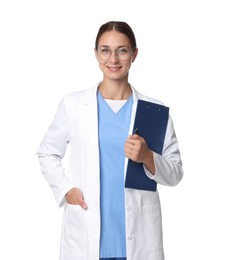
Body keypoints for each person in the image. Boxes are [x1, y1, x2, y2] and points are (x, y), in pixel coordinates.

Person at [37, 21, 184, 260]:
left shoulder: (154, 111)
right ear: (96, 53)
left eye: (122, 50)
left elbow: (175, 173)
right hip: (86, 235)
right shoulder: (74, 105)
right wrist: (66, 189)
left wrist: (148, 157)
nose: (113, 59)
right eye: (105, 50)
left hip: (139, 238)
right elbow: (47, 153)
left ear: (134, 54)